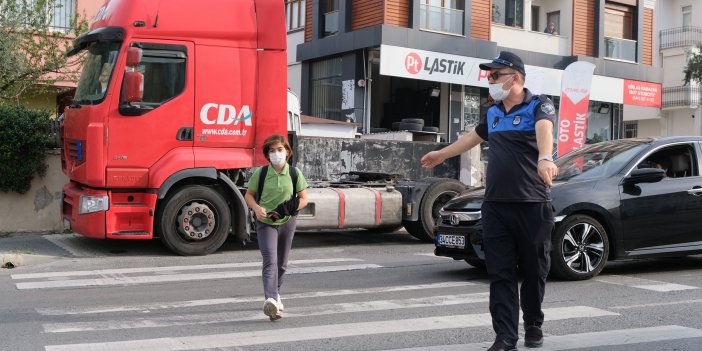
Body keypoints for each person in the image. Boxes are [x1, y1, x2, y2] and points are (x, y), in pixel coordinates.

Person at [421, 51, 558, 351]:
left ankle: (533, 322)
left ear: (516, 78)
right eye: (488, 75)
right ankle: (505, 336)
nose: (489, 80)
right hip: (496, 206)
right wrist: (442, 153)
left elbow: (544, 129)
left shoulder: (539, 104)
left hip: (532, 203)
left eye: (495, 75)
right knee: (500, 272)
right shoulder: (494, 112)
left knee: (535, 269)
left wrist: (545, 158)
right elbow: (473, 137)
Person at [244, 134, 309, 321]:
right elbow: (249, 195)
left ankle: (276, 294)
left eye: (280, 149)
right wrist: (256, 208)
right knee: (270, 260)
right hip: (265, 223)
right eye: (272, 151)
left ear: (287, 152)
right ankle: (271, 300)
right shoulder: (262, 173)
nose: (276, 153)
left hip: (287, 222)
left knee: (282, 263)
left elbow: (304, 199)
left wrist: (288, 208)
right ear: (267, 154)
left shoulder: (295, 173)